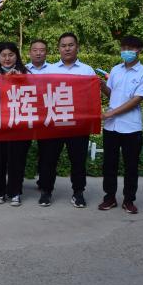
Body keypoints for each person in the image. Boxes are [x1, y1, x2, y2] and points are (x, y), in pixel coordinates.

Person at [37, 32, 96, 208]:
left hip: (78, 125)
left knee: (78, 161)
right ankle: (46, 192)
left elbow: (91, 99)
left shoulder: (87, 71)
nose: (67, 49)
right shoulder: (49, 70)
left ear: (77, 47)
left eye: (71, 45)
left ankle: (78, 193)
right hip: (53, 124)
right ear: (58, 49)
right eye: (63, 46)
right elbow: (41, 96)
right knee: (48, 160)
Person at [98, 35, 143, 214]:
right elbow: (112, 94)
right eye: (123, 48)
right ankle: (109, 198)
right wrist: (102, 86)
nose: (126, 52)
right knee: (109, 165)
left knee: (131, 166)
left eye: (130, 48)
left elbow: (136, 100)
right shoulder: (116, 70)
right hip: (111, 127)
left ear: (139, 50)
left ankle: (129, 200)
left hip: (131, 127)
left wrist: (110, 113)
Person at [0, 42, 31, 206]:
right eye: (3, 55)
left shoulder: (26, 73)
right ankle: (0, 192)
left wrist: (20, 80)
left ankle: (15, 192)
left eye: (11, 55)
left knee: (17, 159)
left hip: (19, 124)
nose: (7, 58)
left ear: (16, 56)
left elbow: (33, 94)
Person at [25, 39, 50, 189]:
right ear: (30, 52)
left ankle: (44, 182)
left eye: (42, 50)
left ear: (46, 52)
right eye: (35, 50)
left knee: (46, 152)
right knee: (21, 150)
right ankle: (17, 184)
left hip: (46, 115)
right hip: (26, 115)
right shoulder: (22, 70)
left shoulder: (54, 70)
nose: (38, 53)